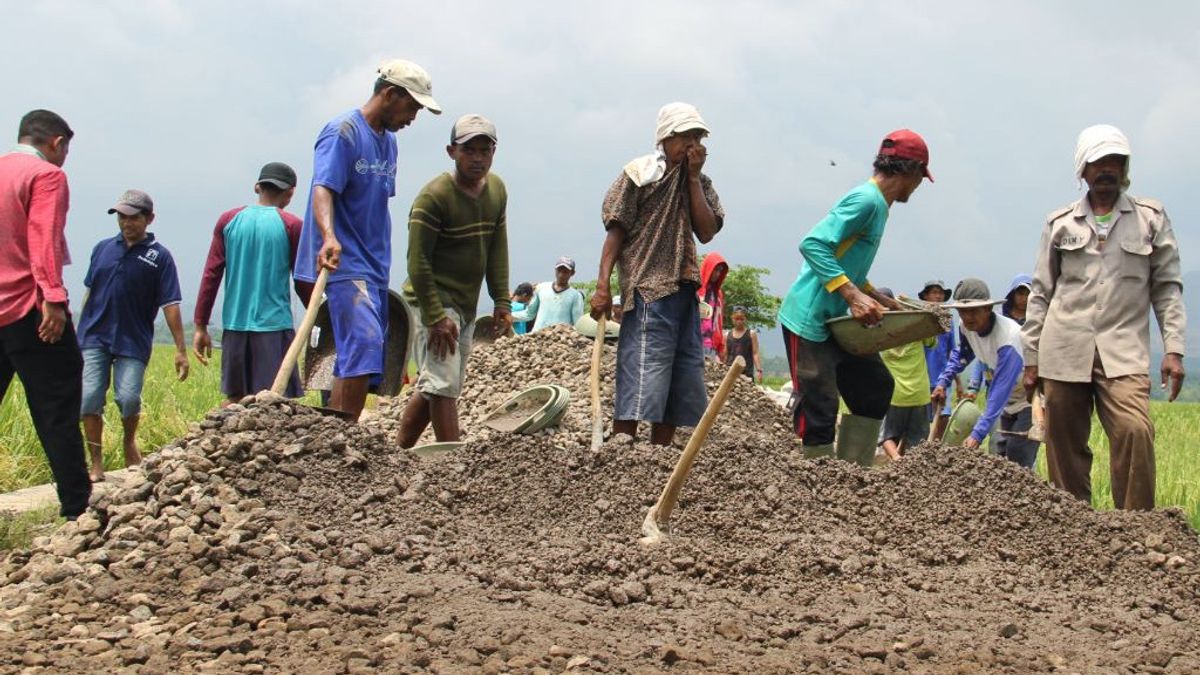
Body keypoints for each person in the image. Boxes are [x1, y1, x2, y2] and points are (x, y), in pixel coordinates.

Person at [1022, 124, 1187, 509]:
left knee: (1134, 430)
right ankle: (1075, 531)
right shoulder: (1059, 223)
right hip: (1063, 349)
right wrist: (1031, 359)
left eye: (1115, 161)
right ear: (1083, 170)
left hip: (1123, 350)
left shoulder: (1150, 219)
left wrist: (1174, 350)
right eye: (1098, 162)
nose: (1107, 169)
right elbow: (1041, 292)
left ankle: (1135, 528)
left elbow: (1167, 288)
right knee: (1064, 447)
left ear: (1125, 167)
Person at [294, 58, 441, 421]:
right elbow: (323, 189)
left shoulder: (389, 143)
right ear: (390, 95)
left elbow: (375, 204)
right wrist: (328, 236)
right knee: (363, 342)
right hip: (342, 260)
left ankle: (336, 432)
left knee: (360, 356)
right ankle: (344, 434)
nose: (413, 118)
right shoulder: (342, 132)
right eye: (412, 107)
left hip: (374, 264)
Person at [777, 129, 932, 465]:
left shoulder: (880, 206)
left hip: (838, 322)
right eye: (920, 177)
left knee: (874, 387)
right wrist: (852, 295)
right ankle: (816, 482)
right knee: (819, 407)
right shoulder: (867, 200)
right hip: (809, 321)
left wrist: (876, 296)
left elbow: (849, 263)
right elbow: (814, 244)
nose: (918, 186)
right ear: (911, 172)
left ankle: (852, 475)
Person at [589, 102, 725, 446]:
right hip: (649, 289)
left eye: (698, 137)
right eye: (686, 137)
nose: (694, 145)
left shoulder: (700, 182)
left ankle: (659, 457)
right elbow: (615, 231)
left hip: (683, 290)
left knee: (679, 381)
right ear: (666, 138)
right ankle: (623, 454)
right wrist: (602, 286)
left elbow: (706, 231)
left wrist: (693, 178)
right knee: (642, 375)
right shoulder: (640, 174)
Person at [396, 114, 510, 447]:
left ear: (493, 153)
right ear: (451, 152)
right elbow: (417, 262)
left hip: (465, 303)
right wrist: (434, 316)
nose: (477, 158)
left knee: (441, 382)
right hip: (431, 298)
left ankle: (398, 454)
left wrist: (501, 299)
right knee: (444, 383)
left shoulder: (497, 190)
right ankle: (454, 460)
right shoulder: (434, 197)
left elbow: (497, 246)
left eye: (484, 151)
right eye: (469, 150)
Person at [0, 109, 91, 518]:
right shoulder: (46, 176)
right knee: (57, 409)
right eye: (66, 150)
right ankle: (77, 509)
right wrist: (52, 297)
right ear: (56, 143)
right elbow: (43, 238)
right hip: (29, 310)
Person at [77, 189, 188, 481]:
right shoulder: (102, 248)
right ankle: (96, 463)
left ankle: (129, 442)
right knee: (89, 398)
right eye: (122, 217)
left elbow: (171, 303)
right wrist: (77, 334)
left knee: (127, 398)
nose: (127, 223)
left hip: (132, 340)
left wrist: (180, 348)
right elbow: (89, 291)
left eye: (134, 217)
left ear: (149, 219)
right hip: (94, 336)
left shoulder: (159, 257)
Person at [193, 162, 313, 404]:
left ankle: (221, 439)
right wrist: (318, 315)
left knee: (235, 398)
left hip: (235, 325)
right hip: (274, 326)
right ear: (290, 193)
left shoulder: (229, 221)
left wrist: (200, 325)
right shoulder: (292, 226)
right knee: (276, 401)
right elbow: (302, 280)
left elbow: (211, 274)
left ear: (257, 187)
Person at [931, 279, 1036, 468]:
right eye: (962, 312)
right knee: (999, 452)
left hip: (1030, 399)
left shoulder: (1009, 339)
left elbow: (999, 390)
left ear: (987, 309)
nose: (967, 317)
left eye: (973, 311)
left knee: (1019, 457)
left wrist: (977, 434)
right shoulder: (967, 328)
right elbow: (961, 354)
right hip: (1007, 402)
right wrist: (942, 382)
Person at [874, 288, 934, 461]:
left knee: (886, 436)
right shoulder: (914, 328)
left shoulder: (876, 332)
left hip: (894, 395)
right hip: (919, 394)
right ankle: (908, 468)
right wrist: (910, 304)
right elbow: (933, 330)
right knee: (917, 442)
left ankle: (897, 460)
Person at [918, 279, 959, 440]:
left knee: (943, 416)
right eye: (934, 292)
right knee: (922, 419)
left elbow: (953, 351)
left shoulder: (948, 320)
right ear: (926, 296)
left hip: (942, 376)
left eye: (940, 293)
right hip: (922, 377)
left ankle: (936, 448)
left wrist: (959, 382)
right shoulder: (920, 319)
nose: (938, 296)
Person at [511, 257, 585, 332]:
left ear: (572, 273)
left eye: (565, 272)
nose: (561, 275)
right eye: (559, 270)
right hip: (538, 336)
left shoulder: (576, 296)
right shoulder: (541, 288)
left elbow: (578, 324)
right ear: (555, 270)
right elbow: (529, 314)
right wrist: (509, 316)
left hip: (560, 339)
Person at [698, 252, 728, 361]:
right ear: (708, 268)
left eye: (720, 271)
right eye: (715, 269)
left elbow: (718, 321)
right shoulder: (696, 289)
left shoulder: (718, 294)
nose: (717, 274)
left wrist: (720, 345)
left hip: (711, 344)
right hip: (694, 342)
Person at [724, 306, 762, 383]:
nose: (739, 321)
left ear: (745, 319)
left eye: (741, 319)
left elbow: (755, 353)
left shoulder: (751, 334)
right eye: (737, 319)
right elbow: (725, 355)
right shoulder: (727, 335)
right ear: (732, 318)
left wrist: (759, 370)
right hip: (730, 372)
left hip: (747, 373)